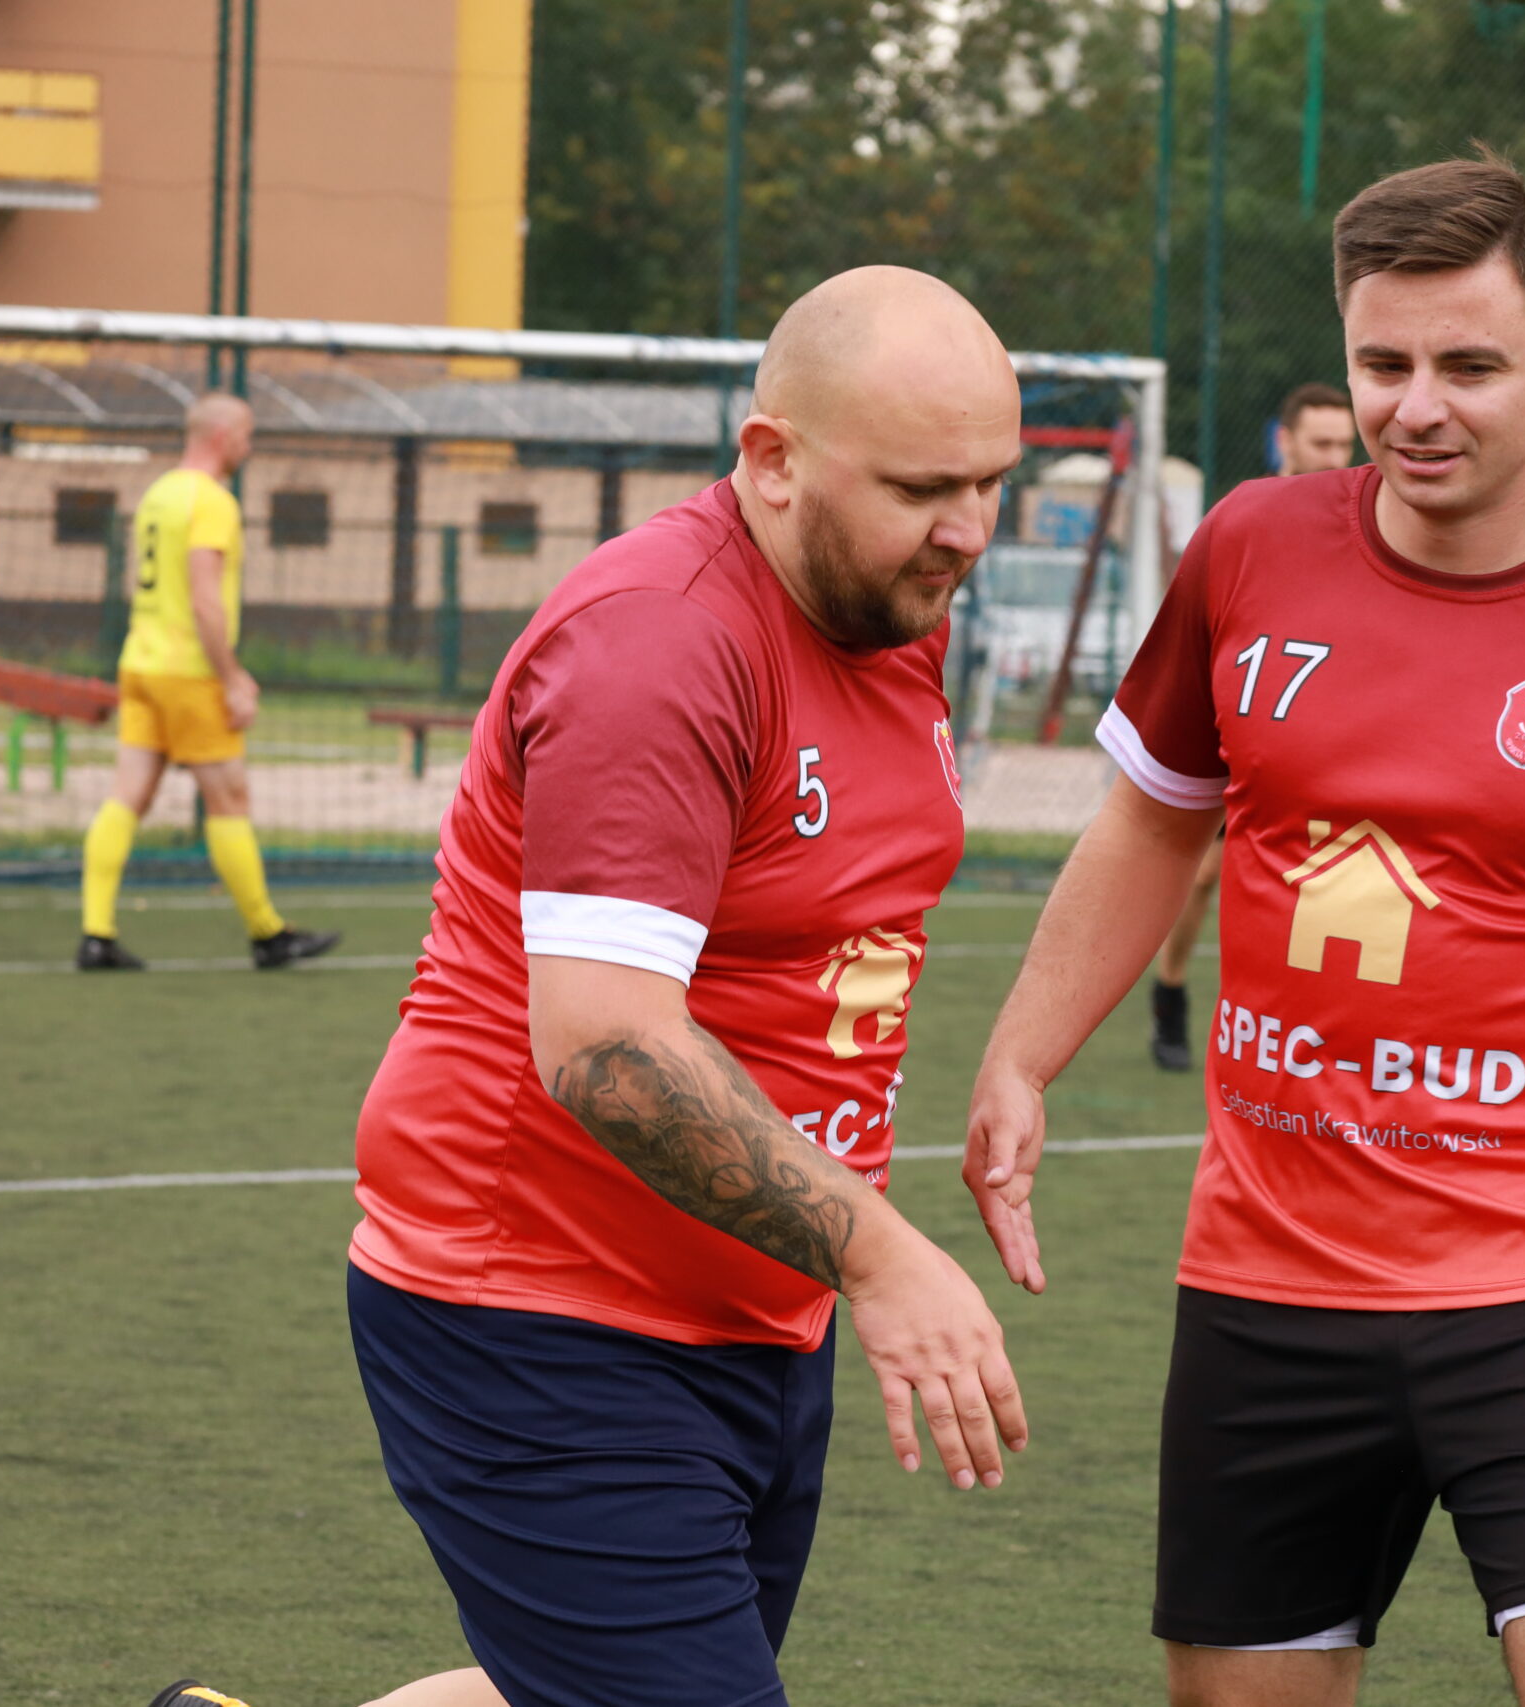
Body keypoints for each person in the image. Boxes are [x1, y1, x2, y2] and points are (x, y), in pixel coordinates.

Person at [965, 155, 1525, 1707]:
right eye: (1382, 364)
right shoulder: (1249, 548)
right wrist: (1020, 1053)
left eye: (1469, 365)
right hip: (1267, 1286)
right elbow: (1153, 820)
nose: (1418, 407)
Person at [152, 267, 1029, 1707]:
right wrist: (880, 1255)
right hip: (539, 1307)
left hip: (751, 1298)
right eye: (924, 488)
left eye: (993, 481)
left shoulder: (889, 603)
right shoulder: (659, 644)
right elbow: (606, 1045)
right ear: (773, 460)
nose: (970, 531)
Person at [76, 394, 338, 972]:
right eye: (246, 434)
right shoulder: (212, 500)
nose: (249, 446)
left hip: (140, 663)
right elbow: (204, 598)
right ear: (221, 436)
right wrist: (232, 677)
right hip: (189, 671)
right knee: (230, 799)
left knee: (128, 795)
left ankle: (96, 934)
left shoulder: (158, 493)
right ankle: (267, 934)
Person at [1151, 382, 1358, 1070]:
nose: (1336, 457)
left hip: (1328, 734)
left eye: (1344, 444)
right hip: (1239, 723)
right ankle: (1171, 991)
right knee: (1203, 875)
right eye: (1322, 442)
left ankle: (1307, 1026)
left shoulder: (1370, 525)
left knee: (1332, 881)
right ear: (1285, 441)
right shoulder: (1248, 523)